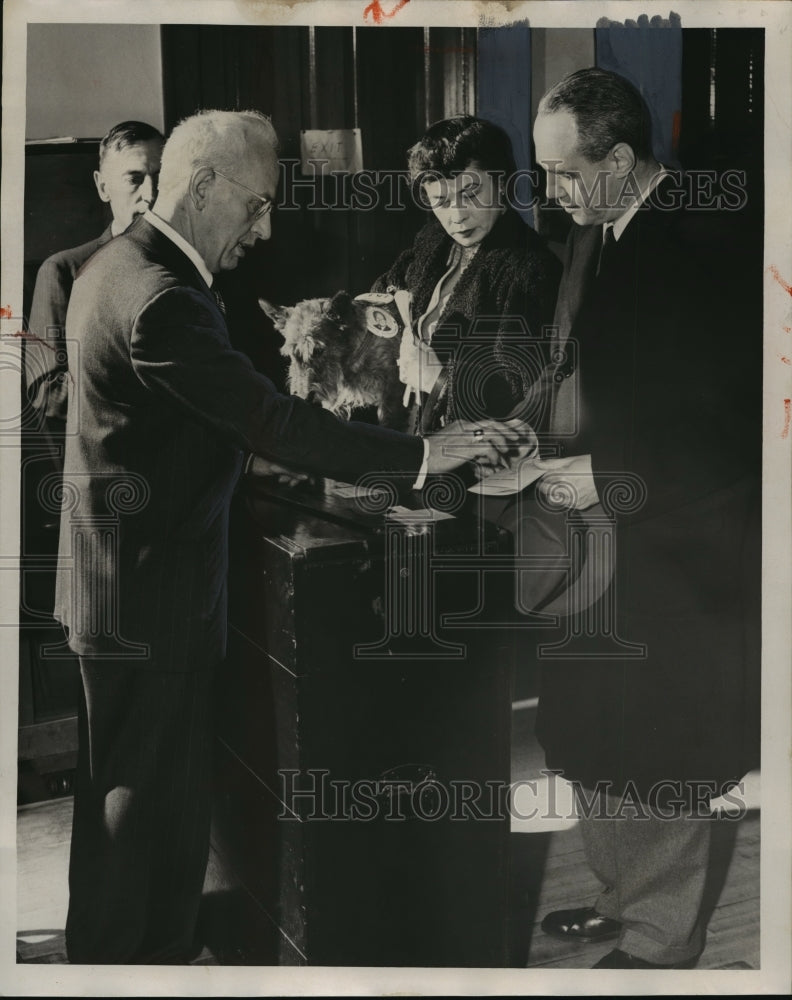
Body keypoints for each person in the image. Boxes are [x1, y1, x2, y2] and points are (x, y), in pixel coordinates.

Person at [55, 108, 529, 965]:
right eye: (256, 203)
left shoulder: (113, 265)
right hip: (150, 591)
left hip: (114, 581)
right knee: (144, 802)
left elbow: (194, 426)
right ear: (205, 188)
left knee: (125, 794)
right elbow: (265, 418)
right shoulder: (162, 295)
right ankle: (134, 963)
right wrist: (422, 453)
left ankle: (126, 951)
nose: (263, 225)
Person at [530, 68, 760, 969]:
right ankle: (625, 899)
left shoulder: (703, 246)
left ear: (620, 159)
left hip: (682, 545)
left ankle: (664, 940)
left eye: (563, 174)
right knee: (597, 727)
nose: (551, 195)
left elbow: (737, 430)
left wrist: (611, 473)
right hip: (611, 536)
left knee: (662, 740)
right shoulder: (611, 228)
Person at [371, 115, 561, 434]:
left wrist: (439, 378)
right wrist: (397, 306)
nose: (457, 216)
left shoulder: (530, 270)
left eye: (471, 194)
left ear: (502, 184)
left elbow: (522, 395)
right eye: (441, 201)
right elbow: (387, 286)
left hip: (473, 460)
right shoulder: (434, 240)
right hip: (411, 436)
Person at [24, 120, 165, 450]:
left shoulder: (188, 270)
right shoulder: (64, 271)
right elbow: (46, 390)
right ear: (103, 188)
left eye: (160, 178)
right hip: (109, 463)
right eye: (135, 178)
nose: (152, 194)